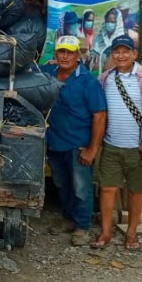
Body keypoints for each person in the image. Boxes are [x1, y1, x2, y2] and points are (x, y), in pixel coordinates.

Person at [91, 35, 142, 250]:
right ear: (112, 55)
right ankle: (106, 232)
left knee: (135, 191)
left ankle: (131, 234)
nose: (121, 55)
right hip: (111, 145)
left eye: (125, 51)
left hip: (139, 147)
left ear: (134, 54)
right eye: (117, 51)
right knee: (107, 189)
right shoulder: (105, 78)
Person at [42, 35, 107, 246]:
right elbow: (29, 74)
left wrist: (91, 149)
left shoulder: (88, 81)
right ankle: (68, 219)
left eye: (70, 52)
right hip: (55, 142)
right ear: (55, 54)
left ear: (78, 55)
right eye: (61, 51)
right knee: (62, 185)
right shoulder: (49, 72)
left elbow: (99, 116)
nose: (64, 56)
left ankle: (82, 227)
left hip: (78, 144)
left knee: (81, 188)